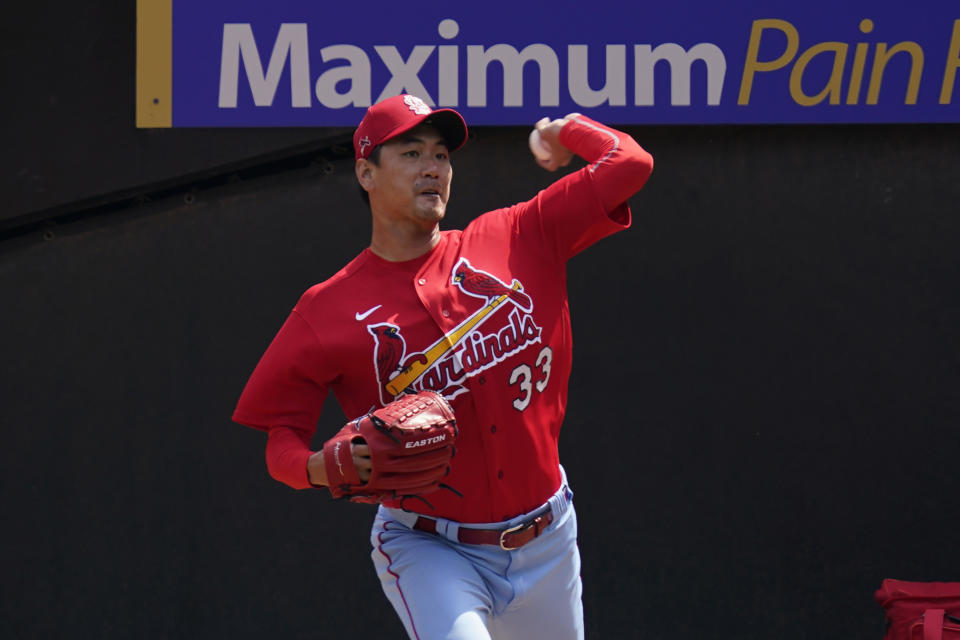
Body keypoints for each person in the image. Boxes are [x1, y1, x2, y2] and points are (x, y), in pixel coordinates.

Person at [233, 93, 654, 639]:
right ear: (366, 172)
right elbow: (278, 439)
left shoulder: (517, 235)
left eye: (441, 155)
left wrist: (566, 128)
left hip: (549, 538)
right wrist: (317, 467)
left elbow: (631, 164)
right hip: (432, 545)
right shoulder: (327, 308)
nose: (433, 167)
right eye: (410, 153)